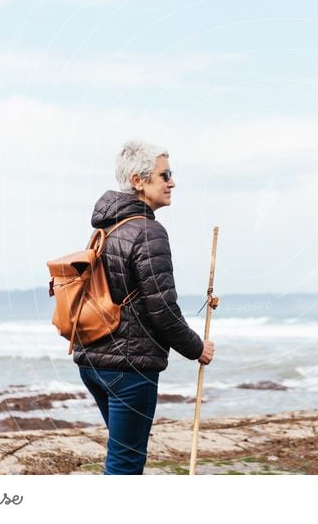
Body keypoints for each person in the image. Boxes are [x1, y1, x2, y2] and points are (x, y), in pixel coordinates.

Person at [73, 140, 215, 475]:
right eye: (164, 175)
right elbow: (162, 309)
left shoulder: (104, 229)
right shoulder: (150, 232)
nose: (172, 182)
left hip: (92, 362)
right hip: (129, 370)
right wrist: (198, 348)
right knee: (125, 465)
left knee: (123, 456)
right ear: (139, 181)